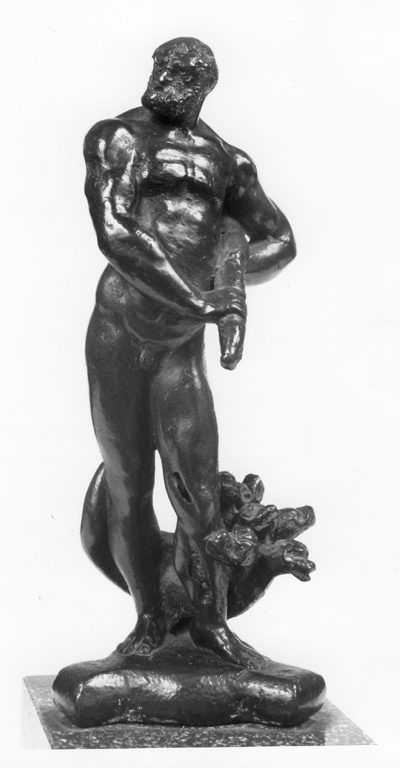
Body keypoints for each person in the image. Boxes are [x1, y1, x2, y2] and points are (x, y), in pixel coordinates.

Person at [83, 37, 296, 668]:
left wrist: (228, 266)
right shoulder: (118, 138)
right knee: (128, 485)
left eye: (183, 72)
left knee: (199, 495)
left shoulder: (229, 161)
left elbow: (279, 241)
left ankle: (210, 624)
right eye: (163, 66)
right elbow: (116, 232)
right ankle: (149, 620)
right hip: (120, 336)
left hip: (180, 352)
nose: (167, 78)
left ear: (206, 84)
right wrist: (199, 300)